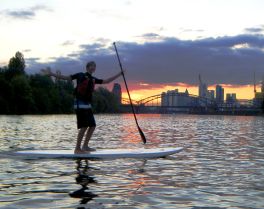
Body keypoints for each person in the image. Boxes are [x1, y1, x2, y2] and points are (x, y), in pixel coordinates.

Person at [41, 61, 123, 154]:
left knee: (92, 125)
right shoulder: (80, 75)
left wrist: (119, 74)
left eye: (94, 66)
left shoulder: (93, 79)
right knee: (84, 126)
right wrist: (51, 74)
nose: (93, 68)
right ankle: (77, 148)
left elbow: (107, 81)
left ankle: (85, 146)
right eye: (92, 66)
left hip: (87, 105)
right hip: (79, 104)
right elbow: (66, 77)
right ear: (87, 67)